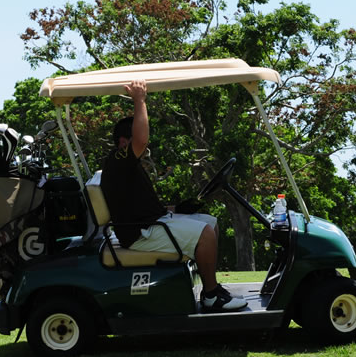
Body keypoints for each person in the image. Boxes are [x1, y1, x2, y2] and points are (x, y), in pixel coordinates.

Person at [100, 80, 247, 312]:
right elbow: (141, 140)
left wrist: (176, 209)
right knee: (205, 233)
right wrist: (139, 100)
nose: (143, 147)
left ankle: (211, 286)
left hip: (150, 223)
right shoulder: (117, 161)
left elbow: (141, 205)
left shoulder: (128, 167)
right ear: (122, 142)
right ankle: (210, 296)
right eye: (134, 138)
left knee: (210, 222)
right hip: (140, 233)